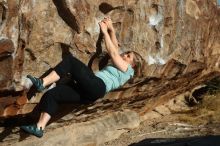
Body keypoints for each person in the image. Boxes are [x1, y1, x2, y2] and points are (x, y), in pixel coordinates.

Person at [20, 17, 143, 138]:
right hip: (90, 94)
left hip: (98, 86)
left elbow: (114, 53)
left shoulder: (128, 71)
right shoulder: (121, 66)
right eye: (126, 53)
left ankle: (42, 82)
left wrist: (104, 31)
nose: (125, 54)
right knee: (53, 94)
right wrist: (111, 29)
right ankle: (39, 127)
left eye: (128, 56)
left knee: (71, 62)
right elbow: (115, 48)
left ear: (132, 65)